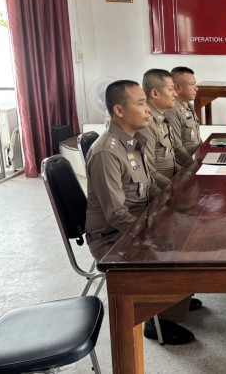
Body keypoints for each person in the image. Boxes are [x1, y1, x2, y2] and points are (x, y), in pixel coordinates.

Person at [85, 80, 199, 345]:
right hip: (113, 238)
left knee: (190, 225)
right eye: (140, 103)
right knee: (176, 243)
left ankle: (177, 298)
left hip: (138, 221)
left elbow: (150, 184)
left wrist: (177, 196)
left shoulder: (132, 142)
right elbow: (116, 215)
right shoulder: (106, 153)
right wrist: (156, 231)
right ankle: (158, 321)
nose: (148, 109)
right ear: (119, 111)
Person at [138, 68, 181, 189]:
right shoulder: (147, 124)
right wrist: (178, 187)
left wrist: (188, 175)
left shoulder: (163, 117)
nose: (175, 94)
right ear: (155, 93)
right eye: (171, 89)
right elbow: (149, 172)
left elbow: (171, 161)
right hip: (161, 190)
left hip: (170, 182)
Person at [165, 66, 202, 166]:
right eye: (192, 84)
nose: (196, 88)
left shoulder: (189, 106)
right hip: (186, 165)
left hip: (197, 159)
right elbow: (177, 148)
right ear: (178, 87)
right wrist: (194, 165)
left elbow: (197, 140)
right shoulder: (172, 110)